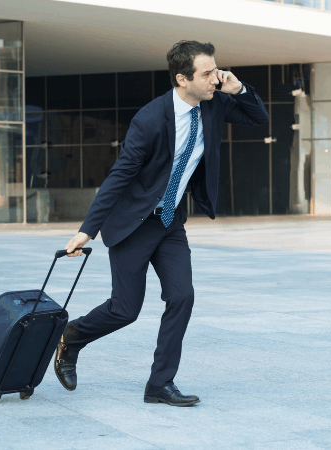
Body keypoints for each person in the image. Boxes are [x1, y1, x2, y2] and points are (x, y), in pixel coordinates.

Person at [56, 41, 268, 407]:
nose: (215, 78)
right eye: (207, 73)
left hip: (170, 222)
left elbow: (258, 118)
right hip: (134, 223)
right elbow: (120, 175)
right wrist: (86, 230)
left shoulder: (215, 103)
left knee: (182, 296)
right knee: (125, 310)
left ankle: (160, 384)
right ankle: (71, 337)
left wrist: (241, 89)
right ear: (182, 79)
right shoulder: (151, 119)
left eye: (216, 69)